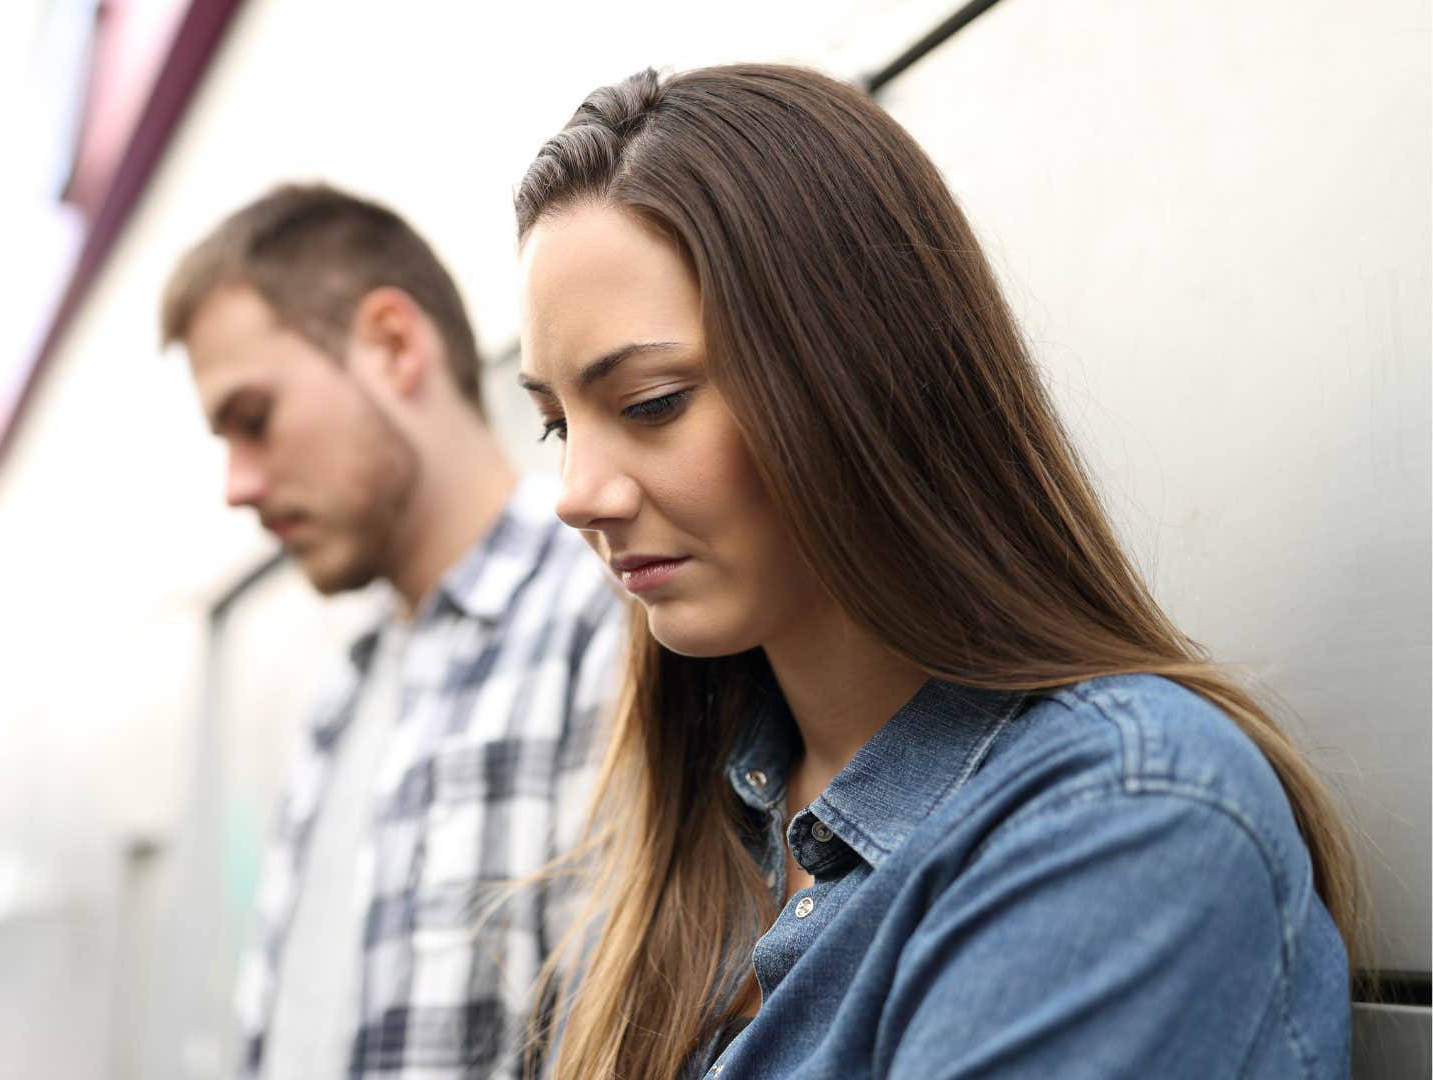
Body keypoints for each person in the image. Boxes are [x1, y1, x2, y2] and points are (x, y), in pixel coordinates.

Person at [511, 64, 1356, 1080]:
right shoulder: (683, 859)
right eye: (557, 422)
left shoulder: (1120, 819)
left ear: (855, 375)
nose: (575, 490)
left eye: (650, 402)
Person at [162, 183, 620, 1079]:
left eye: (254, 420)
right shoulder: (344, 690)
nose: (238, 486)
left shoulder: (599, 615)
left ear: (393, 345)